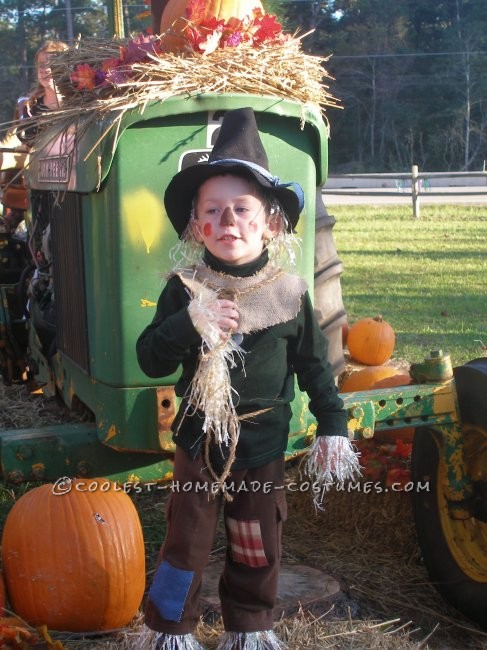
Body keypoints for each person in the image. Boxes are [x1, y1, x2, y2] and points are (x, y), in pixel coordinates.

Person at [136, 107, 361, 650]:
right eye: (213, 211)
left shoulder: (288, 295)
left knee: (257, 540)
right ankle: (170, 631)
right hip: (199, 438)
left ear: (270, 223)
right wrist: (190, 324)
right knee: (186, 540)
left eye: (241, 209)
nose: (228, 221)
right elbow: (150, 358)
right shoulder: (186, 289)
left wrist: (333, 422)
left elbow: (312, 365)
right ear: (196, 224)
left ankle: (251, 629)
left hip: (261, 445)